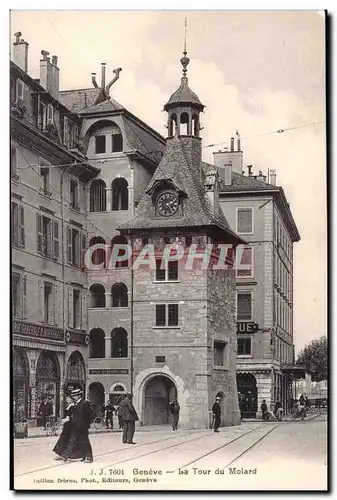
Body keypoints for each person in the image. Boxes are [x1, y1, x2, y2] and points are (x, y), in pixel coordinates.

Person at [63, 388, 94, 463]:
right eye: (73, 395)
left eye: (75, 395)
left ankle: (89, 457)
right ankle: (67, 456)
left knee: (85, 441)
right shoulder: (75, 404)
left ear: (79, 396)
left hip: (82, 427)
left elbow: (90, 415)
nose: (73, 397)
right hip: (75, 426)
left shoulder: (84, 403)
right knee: (73, 440)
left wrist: (86, 424)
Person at [53, 396, 74, 460]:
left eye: (68, 398)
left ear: (71, 399)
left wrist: (65, 420)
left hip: (70, 425)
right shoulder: (69, 406)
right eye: (67, 398)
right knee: (64, 439)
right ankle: (62, 454)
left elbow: (72, 416)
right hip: (67, 425)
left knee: (65, 439)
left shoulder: (73, 406)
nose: (67, 400)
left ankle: (63, 454)